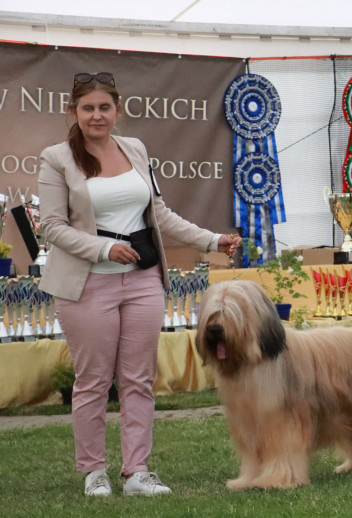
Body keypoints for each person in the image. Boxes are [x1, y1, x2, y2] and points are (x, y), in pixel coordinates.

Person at [38, 71, 241, 496]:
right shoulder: (57, 158)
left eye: (104, 107)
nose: (97, 115)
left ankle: (137, 472)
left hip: (144, 280)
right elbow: (52, 226)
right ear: (73, 111)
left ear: (117, 110)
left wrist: (211, 240)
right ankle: (95, 473)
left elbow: (160, 215)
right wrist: (102, 249)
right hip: (87, 285)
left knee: (138, 379)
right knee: (94, 381)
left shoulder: (135, 149)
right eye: (88, 108)